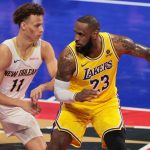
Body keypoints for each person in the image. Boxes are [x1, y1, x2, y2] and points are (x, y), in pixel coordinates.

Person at [47, 15, 150, 150]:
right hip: (76, 106)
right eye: (75, 33)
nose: (76, 38)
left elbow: (146, 53)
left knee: (117, 145)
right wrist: (76, 96)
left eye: (81, 34)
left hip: (105, 104)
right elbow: (59, 92)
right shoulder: (68, 57)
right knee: (56, 145)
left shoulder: (116, 43)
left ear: (94, 34)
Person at [0, 3, 57, 150]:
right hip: (14, 103)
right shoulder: (6, 51)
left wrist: (44, 86)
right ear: (24, 25)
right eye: (37, 26)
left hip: (12, 107)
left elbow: (59, 79)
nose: (41, 30)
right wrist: (22, 104)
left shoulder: (44, 48)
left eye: (42, 25)